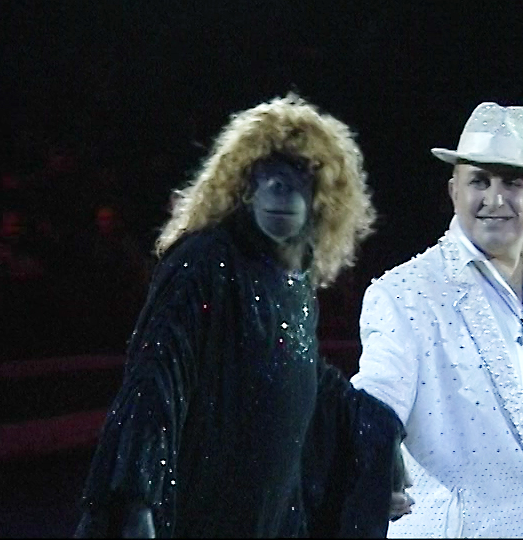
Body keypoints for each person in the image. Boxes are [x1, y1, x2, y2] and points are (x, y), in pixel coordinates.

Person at [74, 94, 413, 538]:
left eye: (298, 174)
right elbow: (156, 377)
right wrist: (136, 501)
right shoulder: (205, 261)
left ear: (322, 194)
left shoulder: (294, 277)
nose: (280, 188)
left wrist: (376, 434)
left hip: (269, 515)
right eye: (266, 173)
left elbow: (298, 372)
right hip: (201, 509)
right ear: (243, 184)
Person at [350, 102, 523, 538]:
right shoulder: (404, 294)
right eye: (479, 181)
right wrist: (373, 456)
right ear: (453, 190)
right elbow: (376, 399)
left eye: (513, 182)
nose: (495, 199)